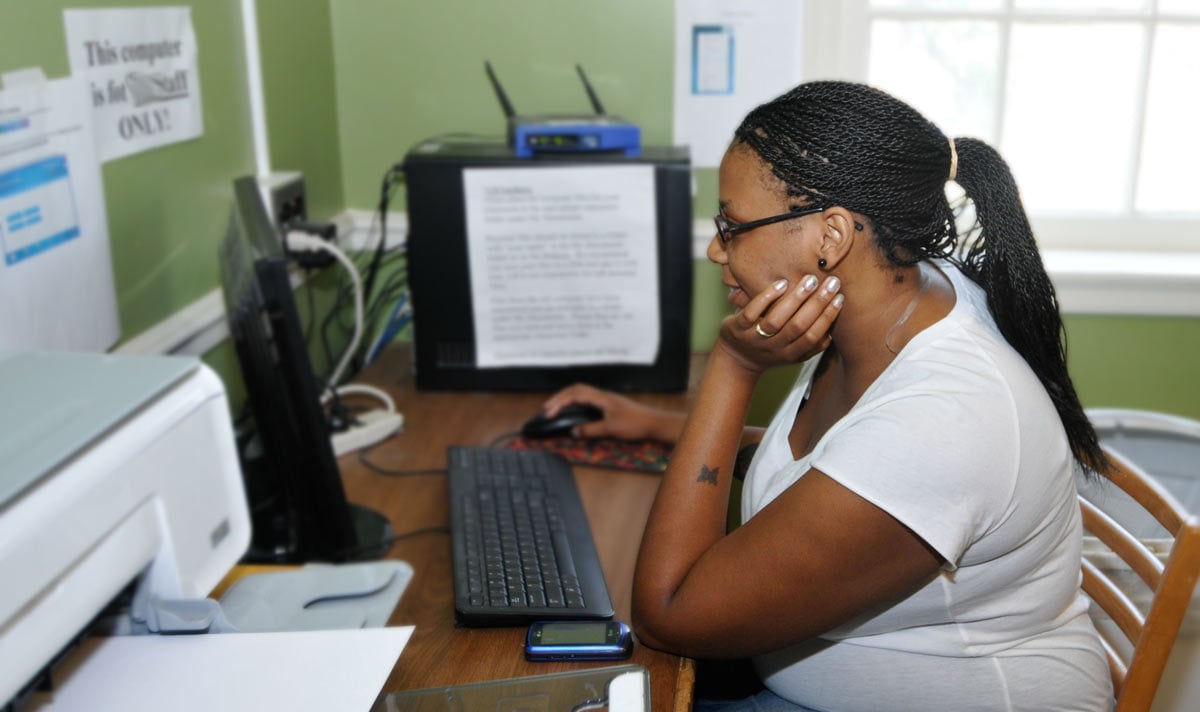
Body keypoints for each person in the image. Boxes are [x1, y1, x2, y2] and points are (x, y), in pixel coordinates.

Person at [540, 81, 1114, 711]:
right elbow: (839, 467)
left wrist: (732, 370)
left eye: (731, 226)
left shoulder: (945, 421)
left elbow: (668, 613)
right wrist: (650, 425)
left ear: (830, 236)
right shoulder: (898, 293)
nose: (714, 250)